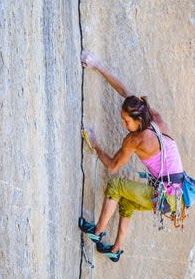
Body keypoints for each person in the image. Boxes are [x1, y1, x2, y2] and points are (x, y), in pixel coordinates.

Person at [78, 50, 185, 261]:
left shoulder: (136, 139)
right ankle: (115, 249)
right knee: (126, 202)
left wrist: (95, 144)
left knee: (116, 185)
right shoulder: (154, 118)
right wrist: (97, 65)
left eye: (126, 121)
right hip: (176, 198)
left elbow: (112, 167)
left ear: (137, 120)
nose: (124, 124)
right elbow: (125, 91)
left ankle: (97, 231)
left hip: (166, 195)